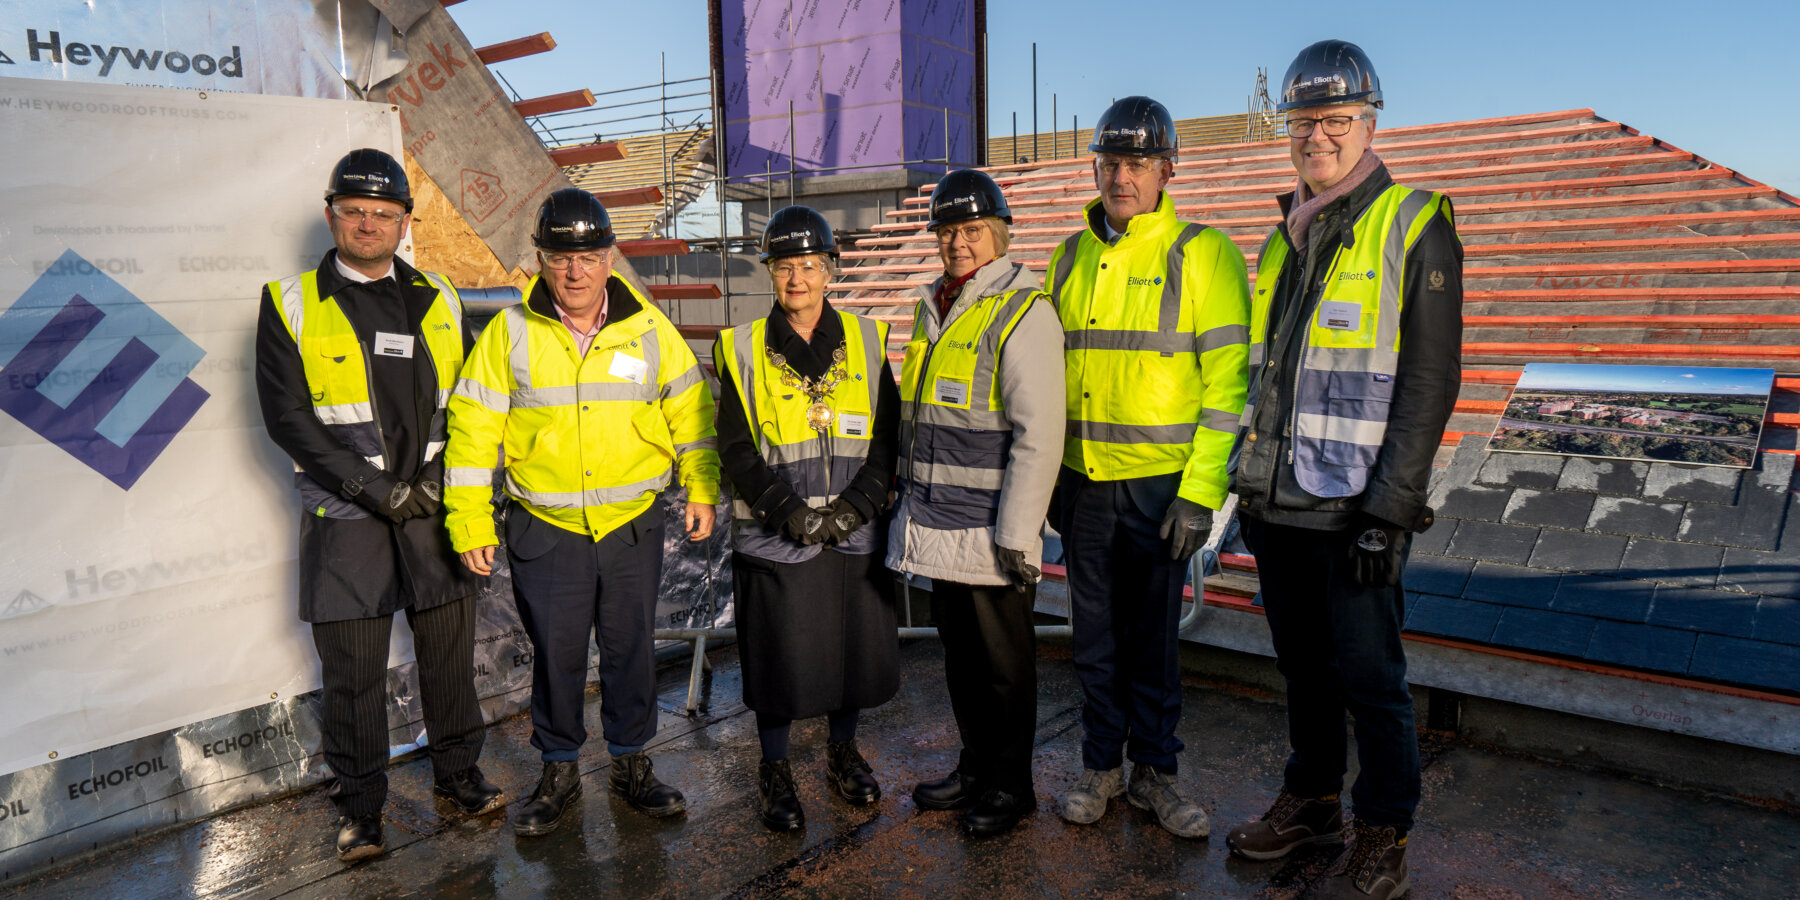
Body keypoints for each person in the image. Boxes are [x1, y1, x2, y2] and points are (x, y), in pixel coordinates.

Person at [1223, 40, 1462, 900]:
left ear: (1369, 123)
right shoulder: (1283, 234)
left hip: (1356, 508)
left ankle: (1384, 828)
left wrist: (1389, 513)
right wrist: (1245, 488)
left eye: (1334, 120)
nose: (1315, 136)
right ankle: (1315, 799)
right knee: (1305, 670)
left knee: (1373, 680)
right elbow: (1270, 375)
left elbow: (1431, 383)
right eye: (1302, 122)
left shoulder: (1415, 221)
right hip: (1279, 504)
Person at [442, 188, 720, 837]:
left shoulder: (648, 329)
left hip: (631, 527)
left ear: (607, 259)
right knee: (557, 656)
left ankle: (631, 764)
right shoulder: (510, 333)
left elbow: (691, 411)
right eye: (561, 257)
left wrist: (701, 485)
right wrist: (469, 520)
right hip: (548, 529)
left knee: (630, 652)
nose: (575, 271)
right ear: (540, 259)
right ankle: (559, 770)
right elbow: (472, 430)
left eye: (588, 256)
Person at [255, 148, 502, 863]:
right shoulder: (290, 302)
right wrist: (376, 490)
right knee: (355, 677)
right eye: (354, 212)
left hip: (433, 510)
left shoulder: (441, 296)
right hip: (349, 517)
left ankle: (459, 779)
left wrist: (443, 488)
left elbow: (473, 407)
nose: (368, 224)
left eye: (383, 214)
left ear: (404, 222)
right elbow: (288, 418)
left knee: (449, 663)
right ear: (331, 215)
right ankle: (361, 811)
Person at [1045, 96, 1251, 839]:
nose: (1121, 176)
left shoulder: (1204, 254)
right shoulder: (1070, 256)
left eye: (1136, 163)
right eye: (1109, 163)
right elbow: (1048, 378)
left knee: (1154, 644)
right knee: (1093, 640)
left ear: (1168, 168)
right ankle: (1101, 767)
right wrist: (1049, 481)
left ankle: (1155, 775)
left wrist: (1199, 495)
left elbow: (1229, 388)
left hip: (1162, 489)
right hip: (1085, 484)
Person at [712, 206, 902, 833]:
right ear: (771, 272)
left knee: (849, 654)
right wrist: (787, 512)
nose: (797, 278)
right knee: (779, 662)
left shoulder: (869, 340)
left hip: (853, 532)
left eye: (809, 266)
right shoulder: (738, 346)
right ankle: (775, 769)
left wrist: (856, 506)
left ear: (830, 271)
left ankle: (843, 754)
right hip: (778, 535)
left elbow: (886, 440)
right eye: (785, 266)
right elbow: (736, 447)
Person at [888, 170, 1064, 836]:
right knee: (962, 662)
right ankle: (974, 768)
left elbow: (1039, 434)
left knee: (1004, 671)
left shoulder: (1023, 309)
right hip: (940, 527)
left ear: (999, 232)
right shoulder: (936, 307)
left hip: (993, 532)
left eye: (971, 229)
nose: (958, 242)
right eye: (948, 230)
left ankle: (1010, 786)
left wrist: (1019, 537)